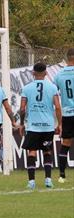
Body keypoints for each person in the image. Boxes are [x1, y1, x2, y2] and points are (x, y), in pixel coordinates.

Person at [19, 62, 62, 190]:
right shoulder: (52, 88)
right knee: (47, 151)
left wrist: (22, 123)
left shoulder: (26, 88)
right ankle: (48, 179)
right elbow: (58, 107)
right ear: (46, 73)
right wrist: (60, 123)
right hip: (47, 126)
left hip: (33, 126)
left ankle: (31, 182)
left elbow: (22, 109)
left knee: (32, 152)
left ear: (33, 73)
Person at [53, 48, 74, 183]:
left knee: (65, 144)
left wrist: (58, 121)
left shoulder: (58, 75)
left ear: (67, 58)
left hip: (67, 114)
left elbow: (55, 96)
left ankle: (62, 175)